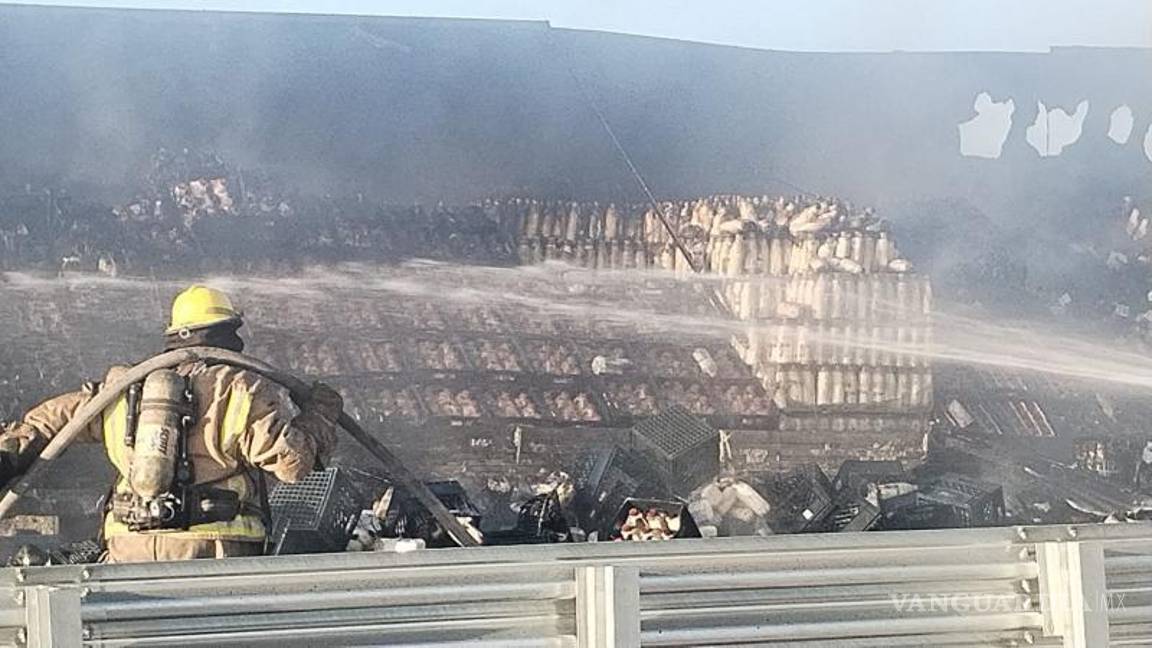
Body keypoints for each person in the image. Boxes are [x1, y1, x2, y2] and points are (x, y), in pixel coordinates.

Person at [0, 285, 341, 562]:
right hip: (213, 551)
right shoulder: (239, 388)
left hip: (128, 547)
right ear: (229, 333)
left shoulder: (125, 386)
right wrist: (321, 414)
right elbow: (290, 464)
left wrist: (7, 455)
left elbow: (51, 422)